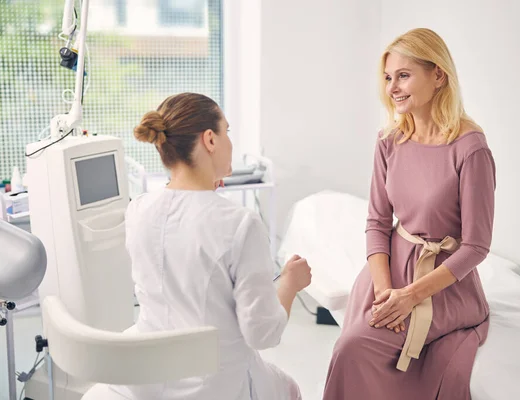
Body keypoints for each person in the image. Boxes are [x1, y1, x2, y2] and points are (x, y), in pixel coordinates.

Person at [323, 28, 496, 399]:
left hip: (444, 284)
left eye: (403, 75)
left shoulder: (470, 148)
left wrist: (411, 296)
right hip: (389, 272)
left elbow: (477, 246)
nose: (392, 88)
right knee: (352, 346)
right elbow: (377, 222)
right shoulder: (389, 140)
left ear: (438, 75)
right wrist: (387, 292)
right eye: (388, 78)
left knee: (352, 348)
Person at [102, 93, 311, 400]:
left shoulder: (138, 210)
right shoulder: (240, 224)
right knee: (290, 388)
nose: (230, 142)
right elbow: (262, 333)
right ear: (210, 140)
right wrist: (291, 284)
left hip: (146, 377)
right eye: (227, 132)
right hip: (215, 387)